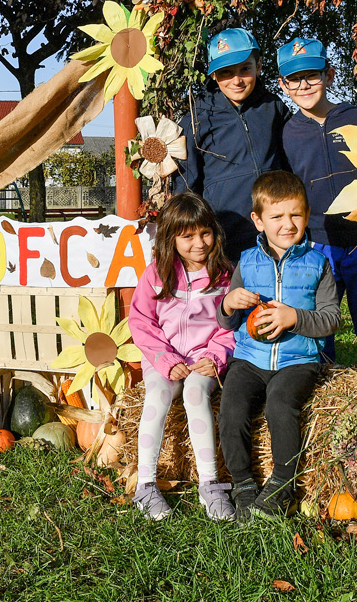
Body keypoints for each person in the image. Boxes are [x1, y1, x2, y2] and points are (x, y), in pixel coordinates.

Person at [217, 171, 340, 520]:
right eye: (277, 217)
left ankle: (283, 485)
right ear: (258, 221)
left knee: (281, 405)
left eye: (296, 215)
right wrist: (228, 304)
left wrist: (294, 318)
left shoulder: (318, 264)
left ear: (307, 214)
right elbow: (227, 323)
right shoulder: (246, 262)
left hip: (298, 359)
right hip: (250, 358)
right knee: (231, 408)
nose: (288, 224)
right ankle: (243, 483)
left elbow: (332, 318)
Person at [277, 37, 357, 363]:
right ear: (283, 85)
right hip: (317, 245)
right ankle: (319, 379)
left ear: (328, 75)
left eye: (311, 75)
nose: (303, 85)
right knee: (316, 326)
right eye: (294, 79)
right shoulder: (286, 133)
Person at [128, 193, 237, 521]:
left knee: (195, 393)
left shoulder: (224, 275)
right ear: (170, 238)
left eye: (205, 233)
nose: (198, 243)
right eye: (187, 236)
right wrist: (165, 360)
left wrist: (216, 356)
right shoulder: (157, 274)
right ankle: (145, 485)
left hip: (205, 358)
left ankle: (210, 484)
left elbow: (231, 325)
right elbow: (141, 322)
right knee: (157, 396)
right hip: (164, 357)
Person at [174, 28, 291, 262]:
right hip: (226, 240)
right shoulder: (197, 119)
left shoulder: (273, 107)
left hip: (277, 234)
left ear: (258, 66)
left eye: (245, 69)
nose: (237, 80)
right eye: (226, 72)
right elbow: (186, 187)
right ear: (213, 75)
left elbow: (292, 164)